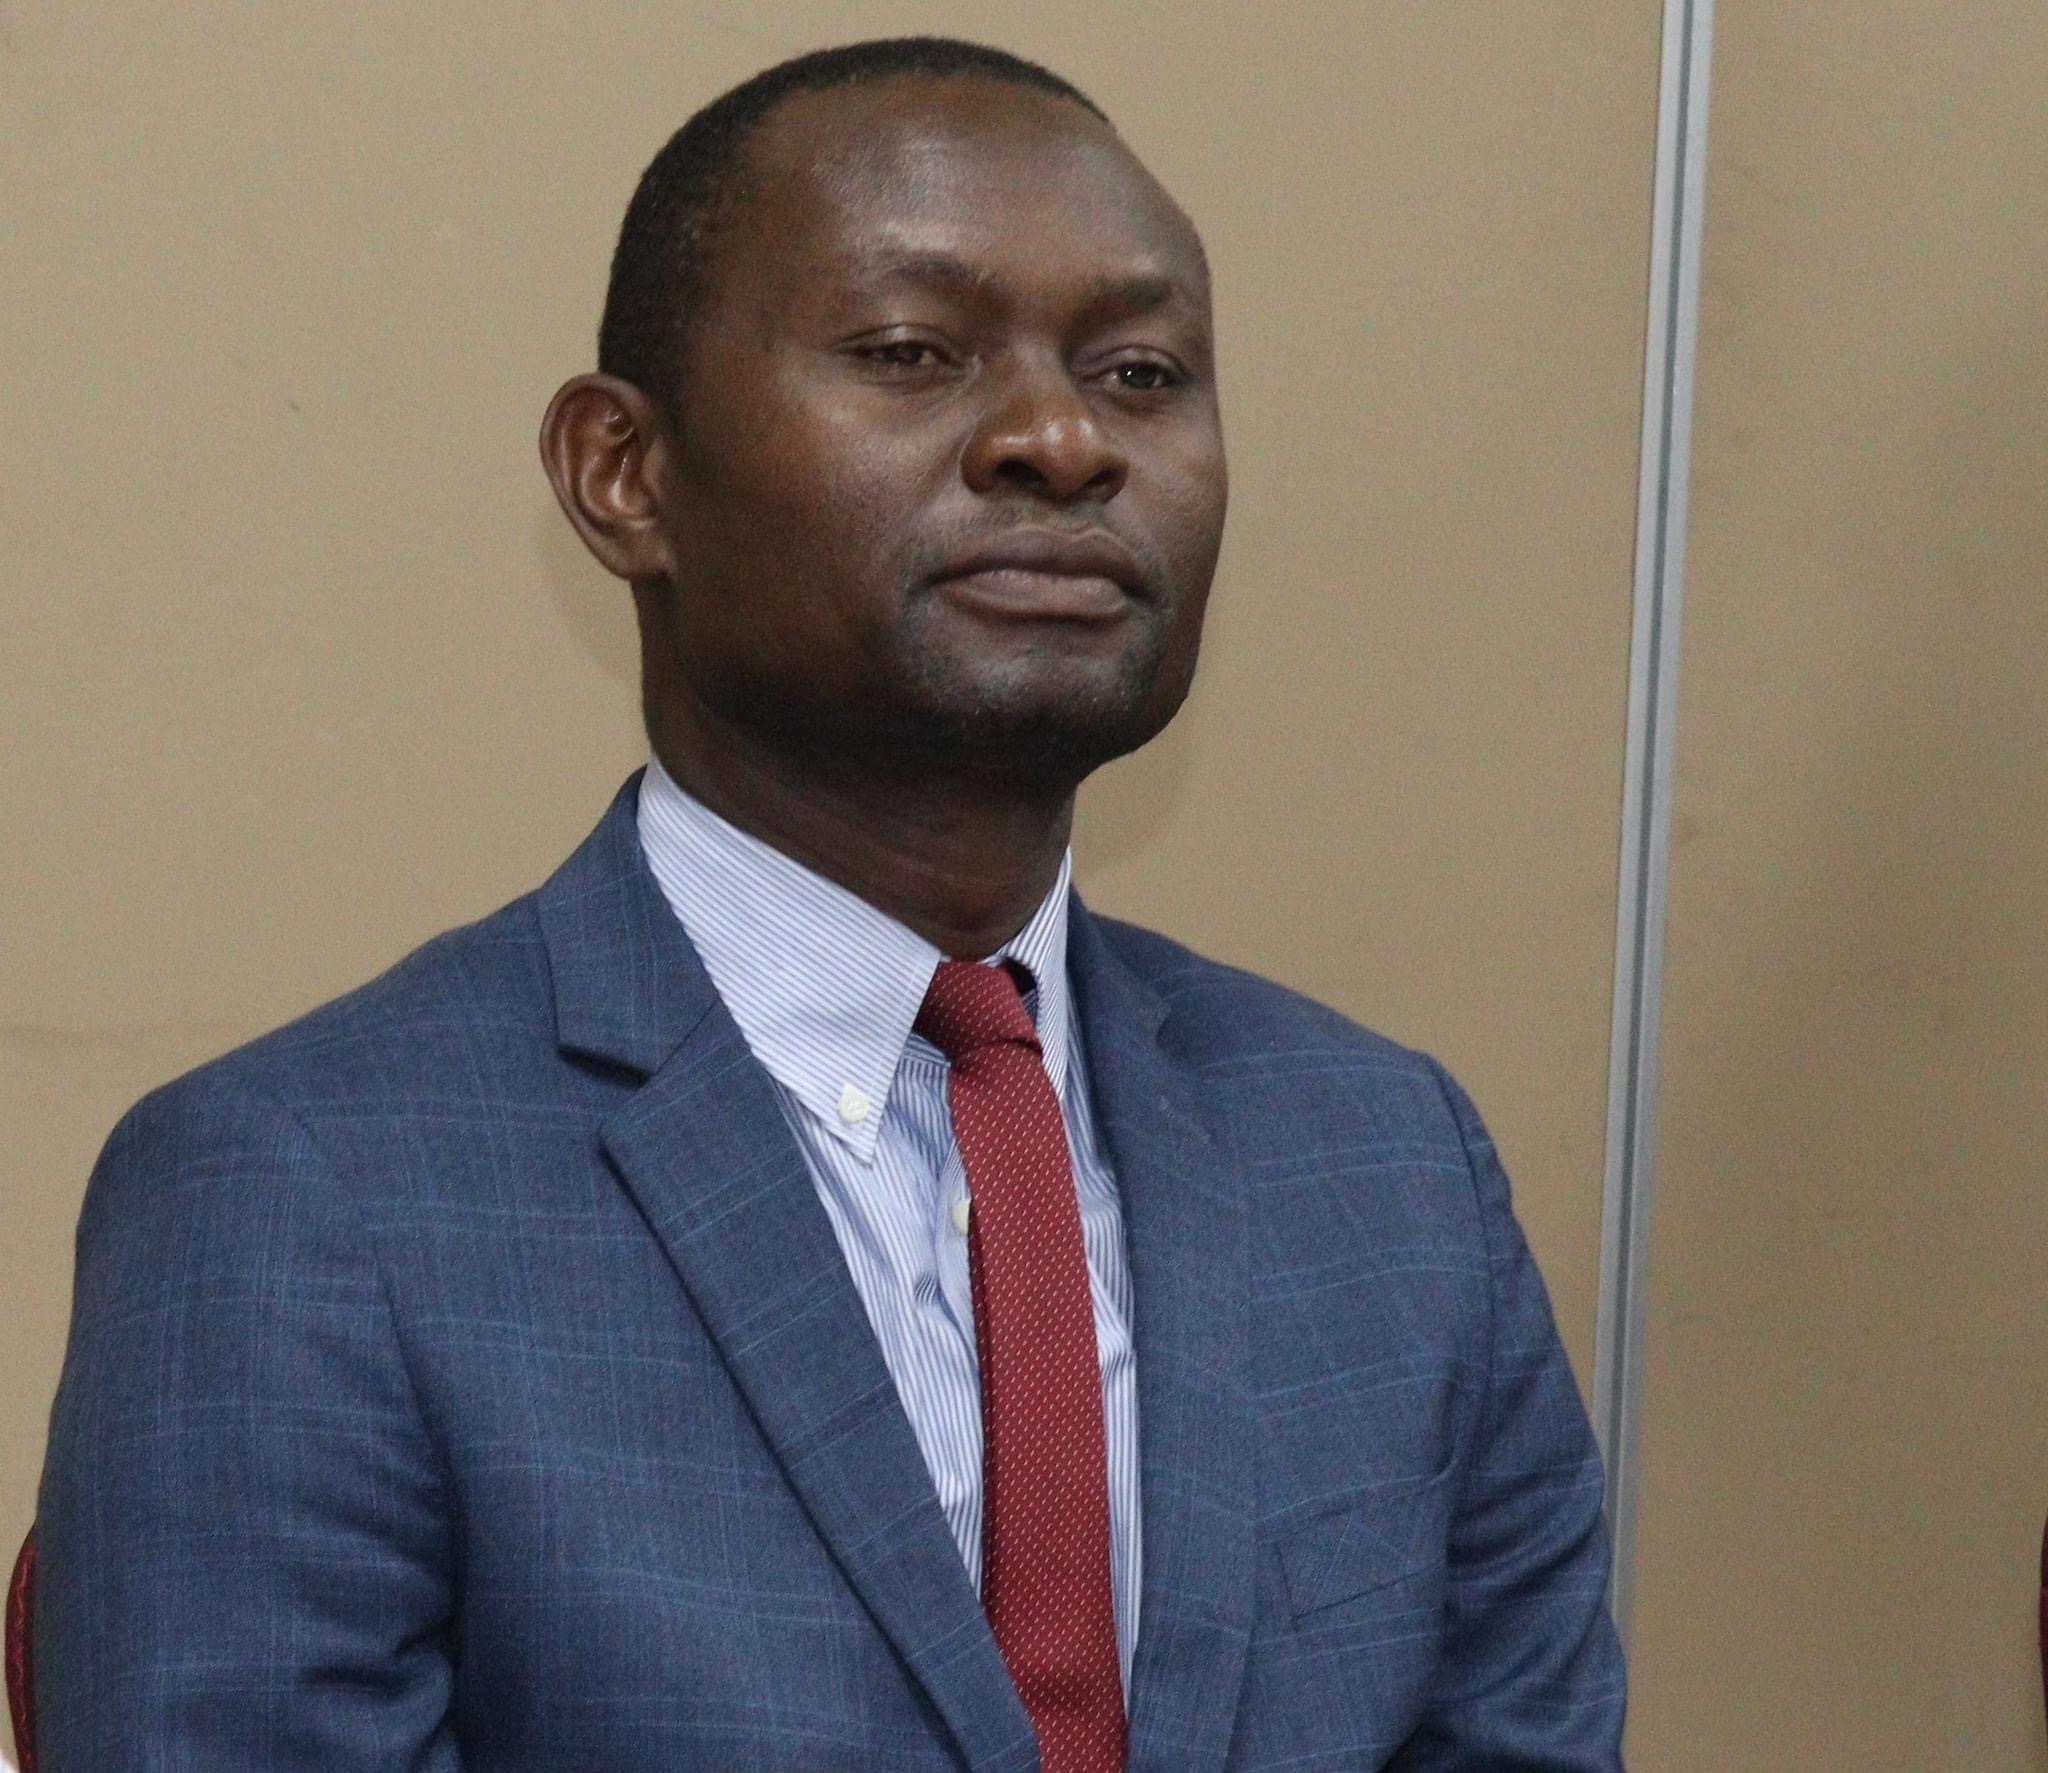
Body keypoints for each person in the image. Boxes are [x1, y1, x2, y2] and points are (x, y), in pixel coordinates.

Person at [34, 35, 1625, 1773]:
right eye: (912, 353)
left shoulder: (1389, 1165)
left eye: (1142, 372)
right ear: (623, 473)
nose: (1060, 439)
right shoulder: (303, 1193)